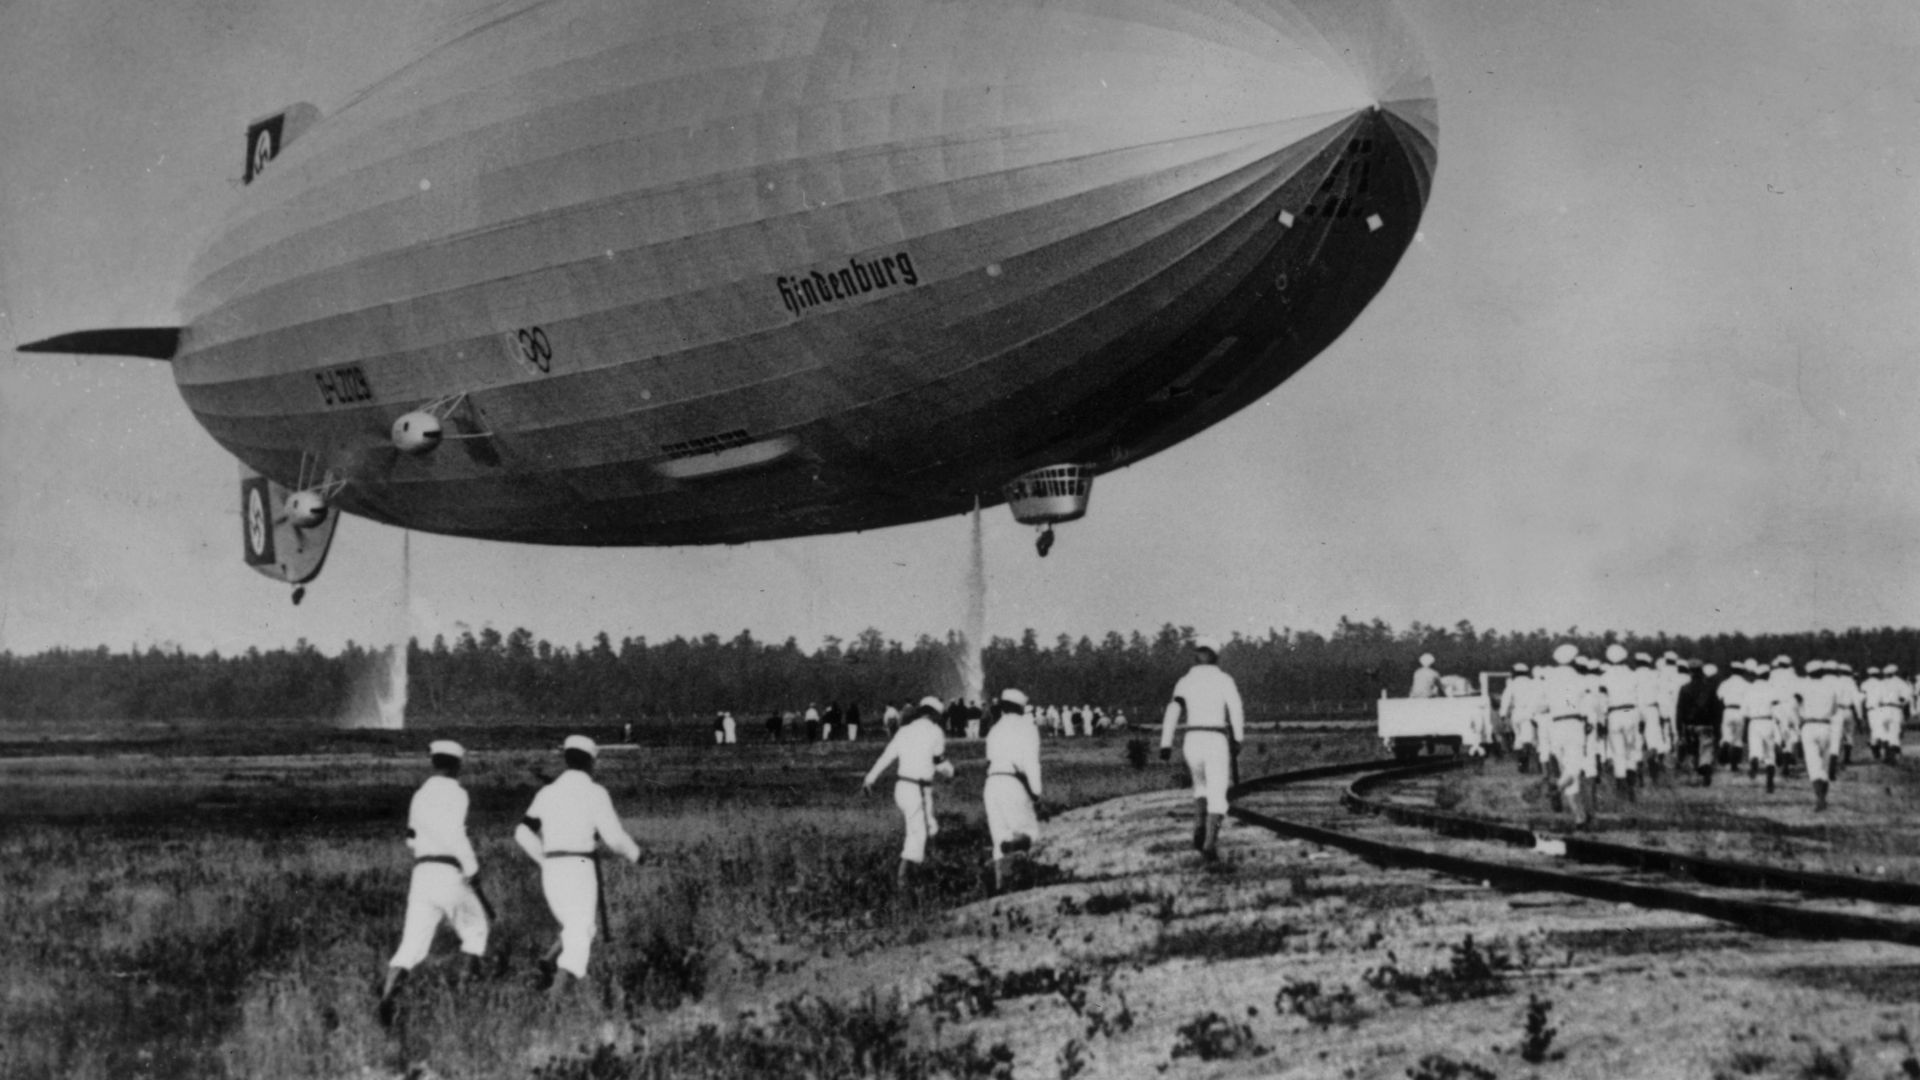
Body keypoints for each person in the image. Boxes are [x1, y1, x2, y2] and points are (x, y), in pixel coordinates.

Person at [514, 735, 642, 988]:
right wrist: (638, 855)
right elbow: (615, 838)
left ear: (566, 759)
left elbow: (522, 832)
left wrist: (544, 859)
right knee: (580, 933)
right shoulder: (596, 793)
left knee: (578, 926)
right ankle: (555, 1001)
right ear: (591, 763)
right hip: (580, 869)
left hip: (552, 871)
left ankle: (546, 964)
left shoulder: (547, 793)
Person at [379, 740, 488, 1025]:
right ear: (457, 765)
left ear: (433, 762)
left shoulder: (419, 795)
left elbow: (411, 840)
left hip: (422, 874)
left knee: (411, 945)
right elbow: (456, 835)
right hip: (449, 872)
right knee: (476, 929)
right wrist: (472, 868)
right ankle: (464, 1000)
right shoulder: (458, 794)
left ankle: (388, 996)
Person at [1158, 635, 1245, 862]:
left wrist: (1165, 743)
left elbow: (1173, 711)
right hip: (1215, 737)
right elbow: (1235, 709)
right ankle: (1209, 843)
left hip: (1192, 739)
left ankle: (1199, 824)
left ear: (1196, 655)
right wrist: (1238, 737)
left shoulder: (1185, 681)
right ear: (1216, 656)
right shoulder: (1225, 680)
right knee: (1217, 790)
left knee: (1200, 786)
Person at [862, 696, 955, 891]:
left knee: (928, 828)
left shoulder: (904, 731)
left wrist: (870, 779)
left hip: (902, 787)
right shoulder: (935, 731)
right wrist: (951, 772)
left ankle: (924, 872)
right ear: (934, 714)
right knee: (918, 835)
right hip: (919, 790)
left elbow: (886, 757)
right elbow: (940, 763)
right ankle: (904, 882)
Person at [983, 688, 1043, 893]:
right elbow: (1031, 763)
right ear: (1021, 707)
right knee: (1028, 832)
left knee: (999, 836)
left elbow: (988, 761)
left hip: (992, 783)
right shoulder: (1027, 727)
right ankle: (1023, 882)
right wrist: (1036, 792)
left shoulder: (994, 730)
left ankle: (1001, 886)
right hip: (1013, 782)